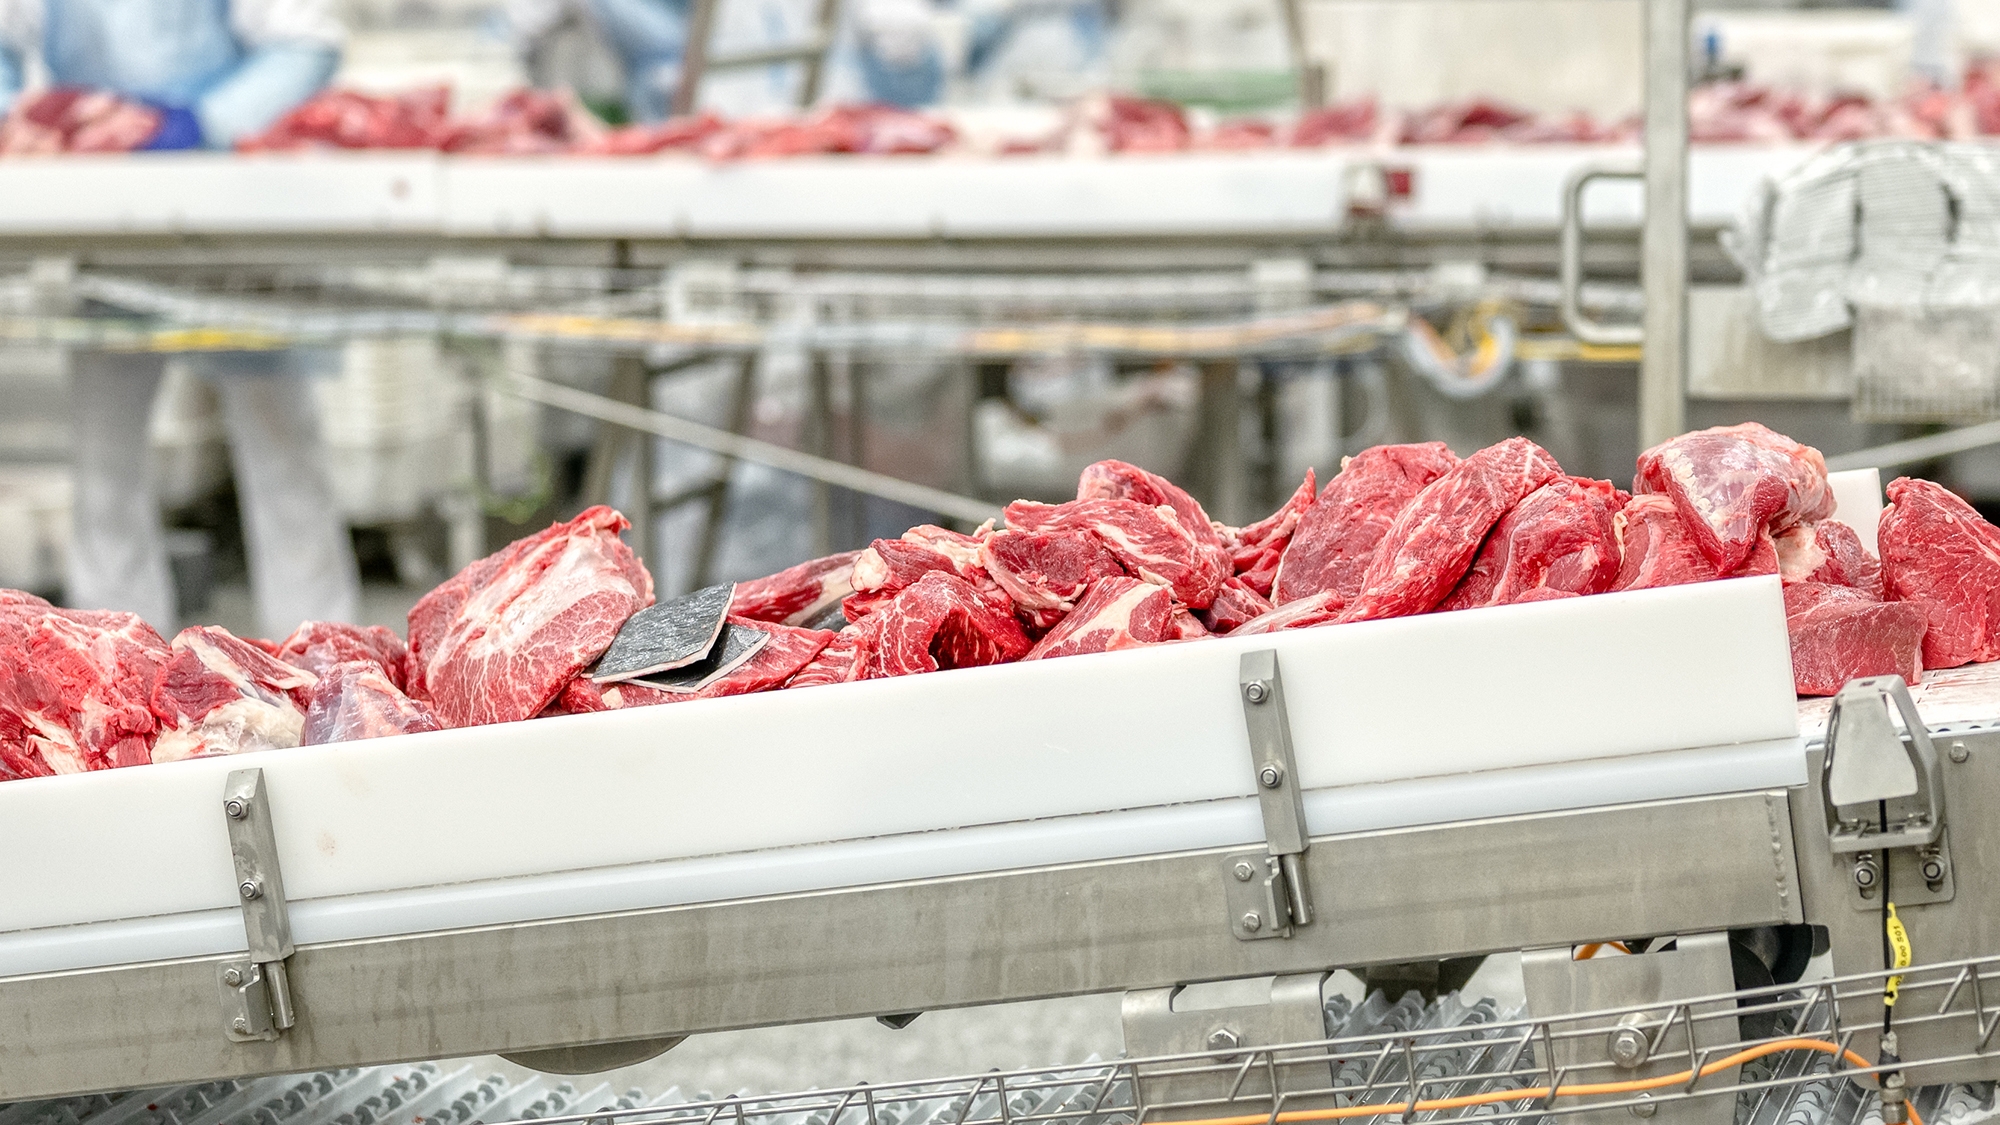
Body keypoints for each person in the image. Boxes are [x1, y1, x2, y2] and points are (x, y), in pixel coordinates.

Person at [0, 0, 358, 638]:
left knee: (281, 444)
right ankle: (113, 687)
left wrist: (207, 121)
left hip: (233, 217)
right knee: (106, 463)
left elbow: (307, 43)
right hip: (106, 218)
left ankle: (329, 671)